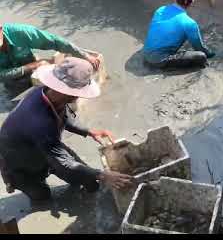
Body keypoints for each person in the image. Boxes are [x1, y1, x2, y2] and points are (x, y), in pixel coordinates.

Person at [0, 57, 133, 202]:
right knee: (42, 197)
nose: (79, 96)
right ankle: (21, 183)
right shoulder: (39, 121)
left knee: (89, 182)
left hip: (47, 145)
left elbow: (63, 116)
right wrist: (103, 175)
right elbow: (64, 161)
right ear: (67, 92)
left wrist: (88, 131)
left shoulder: (49, 94)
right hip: (21, 164)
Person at [0, 23, 100, 91]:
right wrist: (34, 65)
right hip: (10, 82)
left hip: (32, 67)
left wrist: (84, 55)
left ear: (1, 29)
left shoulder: (19, 32)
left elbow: (54, 41)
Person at [143, 0, 215, 69]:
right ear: (192, 2)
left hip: (145, 54)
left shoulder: (160, 10)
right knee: (201, 56)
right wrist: (211, 54)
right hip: (158, 61)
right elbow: (199, 48)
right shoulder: (190, 23)